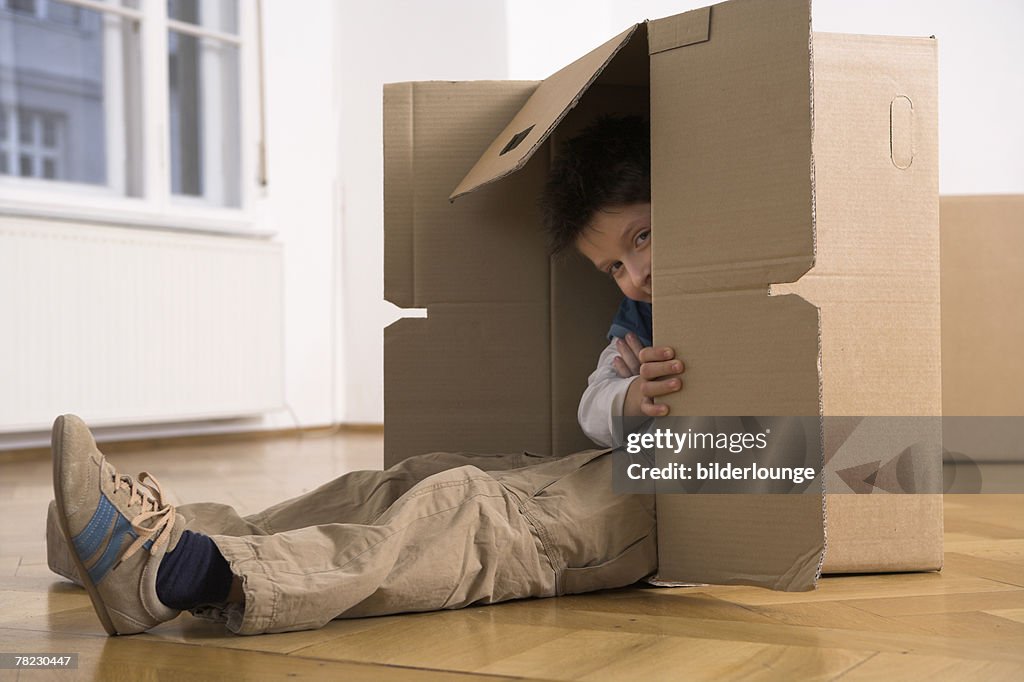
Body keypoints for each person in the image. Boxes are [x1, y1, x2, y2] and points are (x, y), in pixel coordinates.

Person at [48, 116, 685, 636]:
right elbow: (593, 407)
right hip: (632, 462)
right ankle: (145, 539)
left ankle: (183, 575)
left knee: (480, 513)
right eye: (613, 267)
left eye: (644, 237)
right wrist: (627, 397)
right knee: (420, 479)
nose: (636, 275)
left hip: (718, 467)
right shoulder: (637, 321)